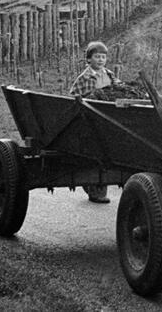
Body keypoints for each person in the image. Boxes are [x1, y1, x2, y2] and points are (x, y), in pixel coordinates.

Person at [69, 40, 119, 203]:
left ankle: (100, 185)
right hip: (90, 117)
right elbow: (74, 96)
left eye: (103, 57)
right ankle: (95, 188)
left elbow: (118, 89)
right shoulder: (85, 77)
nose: (100, 60)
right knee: (95, 150)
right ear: (89, 59)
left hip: (107, 117)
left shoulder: (110, 75)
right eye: (97, 57)